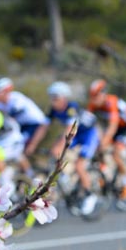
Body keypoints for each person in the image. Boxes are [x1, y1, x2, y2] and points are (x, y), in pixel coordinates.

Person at [46, 81, 101, 215]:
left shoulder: (72, 108)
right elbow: (43, 126)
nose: (53, 102)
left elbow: (69, 129)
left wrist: (58, 146)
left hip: (89, 134)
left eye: (56, 98)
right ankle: (65, 179)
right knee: (55, 152)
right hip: (76, 134)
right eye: (51, 98)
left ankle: (90, 195)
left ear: (64, 98)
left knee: (79, 165)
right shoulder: (53, 110)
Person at [87, 79, 126, 199]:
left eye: (95, 96)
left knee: (116, 153)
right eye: (92, 96)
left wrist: (104, 142)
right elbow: (86, 119)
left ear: (103, 93)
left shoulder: (112, 101)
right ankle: (105, 175)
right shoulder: (93, 104)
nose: (93, 99)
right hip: (115, 128)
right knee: (97, 150)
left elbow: (112, 126)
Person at [0, 77, 50, 175]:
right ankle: (24, 173)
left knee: (18, 148)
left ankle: (31, 177)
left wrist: (33, 144)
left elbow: (10, 118)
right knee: (15, 150)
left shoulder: (17, 99)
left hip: (34, 126)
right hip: (19, 126)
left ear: (6, 91)